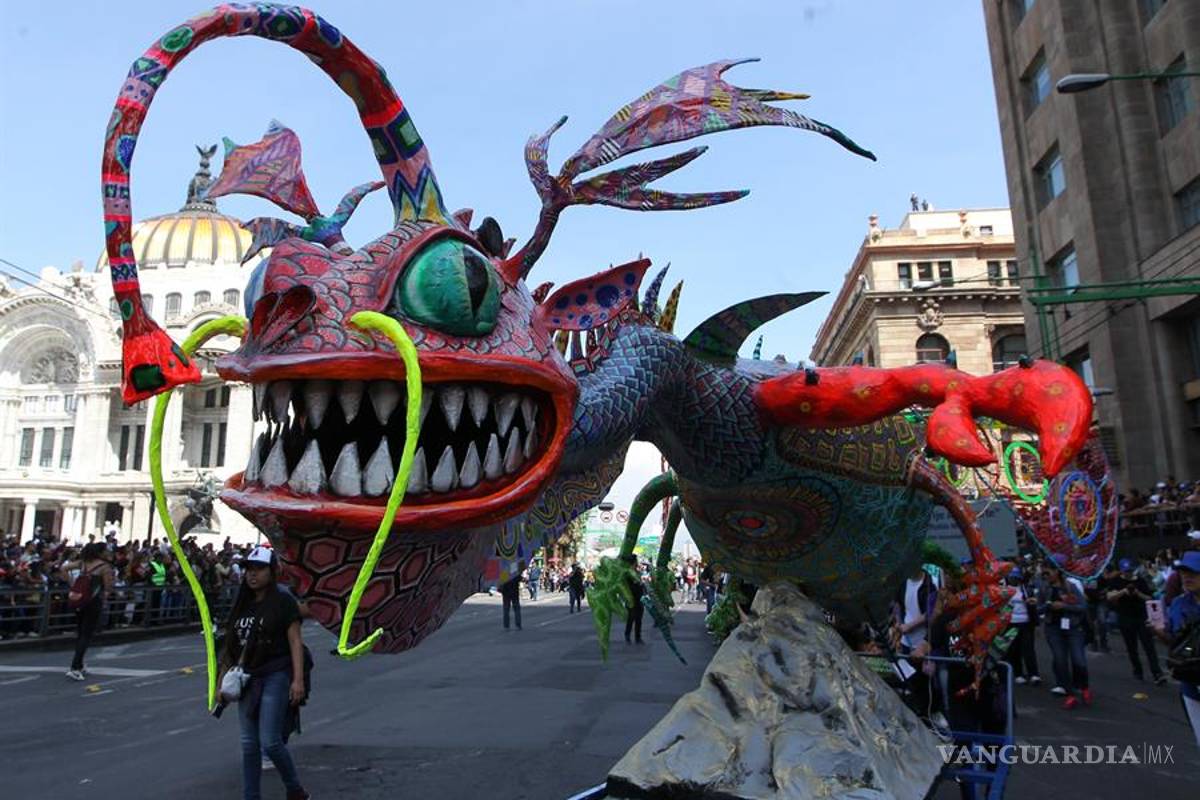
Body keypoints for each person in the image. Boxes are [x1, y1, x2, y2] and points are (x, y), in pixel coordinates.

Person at [218, 545, 310, 800]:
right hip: (247, 675)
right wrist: (220, 683)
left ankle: (295, 789)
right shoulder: (242, 603)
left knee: (270, 741)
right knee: (249, 744)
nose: (252, 575)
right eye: (249, 569)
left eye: (259, 569)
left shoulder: (282, 601)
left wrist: (298, 680)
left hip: (276, 673)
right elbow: (230, 647)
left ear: (272, 572)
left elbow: (294, 642)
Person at [1156, 551, 1200, 748]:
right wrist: (1159, 633)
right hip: (1190, 684)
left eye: (1193, 573)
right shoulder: (1177, 603)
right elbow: (1175, 643)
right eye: (1183, 572)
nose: (1187, 577)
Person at [1103, 558, 1166, 685]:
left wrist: (1137, 593)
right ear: (1121, 570)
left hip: (1141, 617)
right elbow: (1109, 597)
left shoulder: (1140, 581)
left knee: (1149, 646)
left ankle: (1157, 673)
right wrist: (1123, 592)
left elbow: (1150, 598)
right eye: (1126, 571)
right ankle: (1137, 670)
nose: (1128, 573)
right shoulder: (1116, 581)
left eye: (1130, 570)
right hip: (1125, 617)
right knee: (1131, 647)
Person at [1040, 564, 1091, 709]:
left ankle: (1084, 687)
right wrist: (1048, 605)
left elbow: (1083, 606)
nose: (1046, 574)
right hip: (1053, 629)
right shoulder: (1044, 588)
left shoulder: (1070, 586)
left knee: (1079, 660)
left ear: (1057, 571)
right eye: (1044, 572)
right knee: (1060, 660)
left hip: (1073, 628)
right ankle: (1070, 694)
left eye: (1048, 570)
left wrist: (1064, 606)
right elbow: (1038, 608)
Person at [63, 543, 114, 681]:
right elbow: (108, 586)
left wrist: (72, 583)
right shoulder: (104, 567)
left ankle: (79, 664)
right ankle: (75, 667)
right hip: (93, 601)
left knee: (81, 632)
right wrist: (106, 593)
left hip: (80, 599)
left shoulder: (83, 563)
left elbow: (64, 568)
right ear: (101, 552)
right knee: (87, 634)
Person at [1004, 568, 1041, 685]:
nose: (1013, 579)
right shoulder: (1003, 590)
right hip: (1010, 623)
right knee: (1013, 649)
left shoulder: (1026, 590)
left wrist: (1036, 622)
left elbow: (1034, 606)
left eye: (1015, 577)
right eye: (1011, 577)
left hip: (1025, 622)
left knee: (1028, 649)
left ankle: (1034, 674)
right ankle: (1018, 673)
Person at [621, 554, 645, 644]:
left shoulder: (636, 572)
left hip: (638, 597)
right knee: (631, 617)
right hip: (631, 597)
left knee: (638, 618)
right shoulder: (628, 573)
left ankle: (637, 637)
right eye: (636, 561)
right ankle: (628, 635)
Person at [500, 562, 524, 630]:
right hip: (514, 593)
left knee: (506, 610)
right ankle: (518, 624)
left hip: (506, 593)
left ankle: (506, 625)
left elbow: (501, 583)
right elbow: (520, 579)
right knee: (516, 609)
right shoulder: (515, 573)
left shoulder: (504, 573)